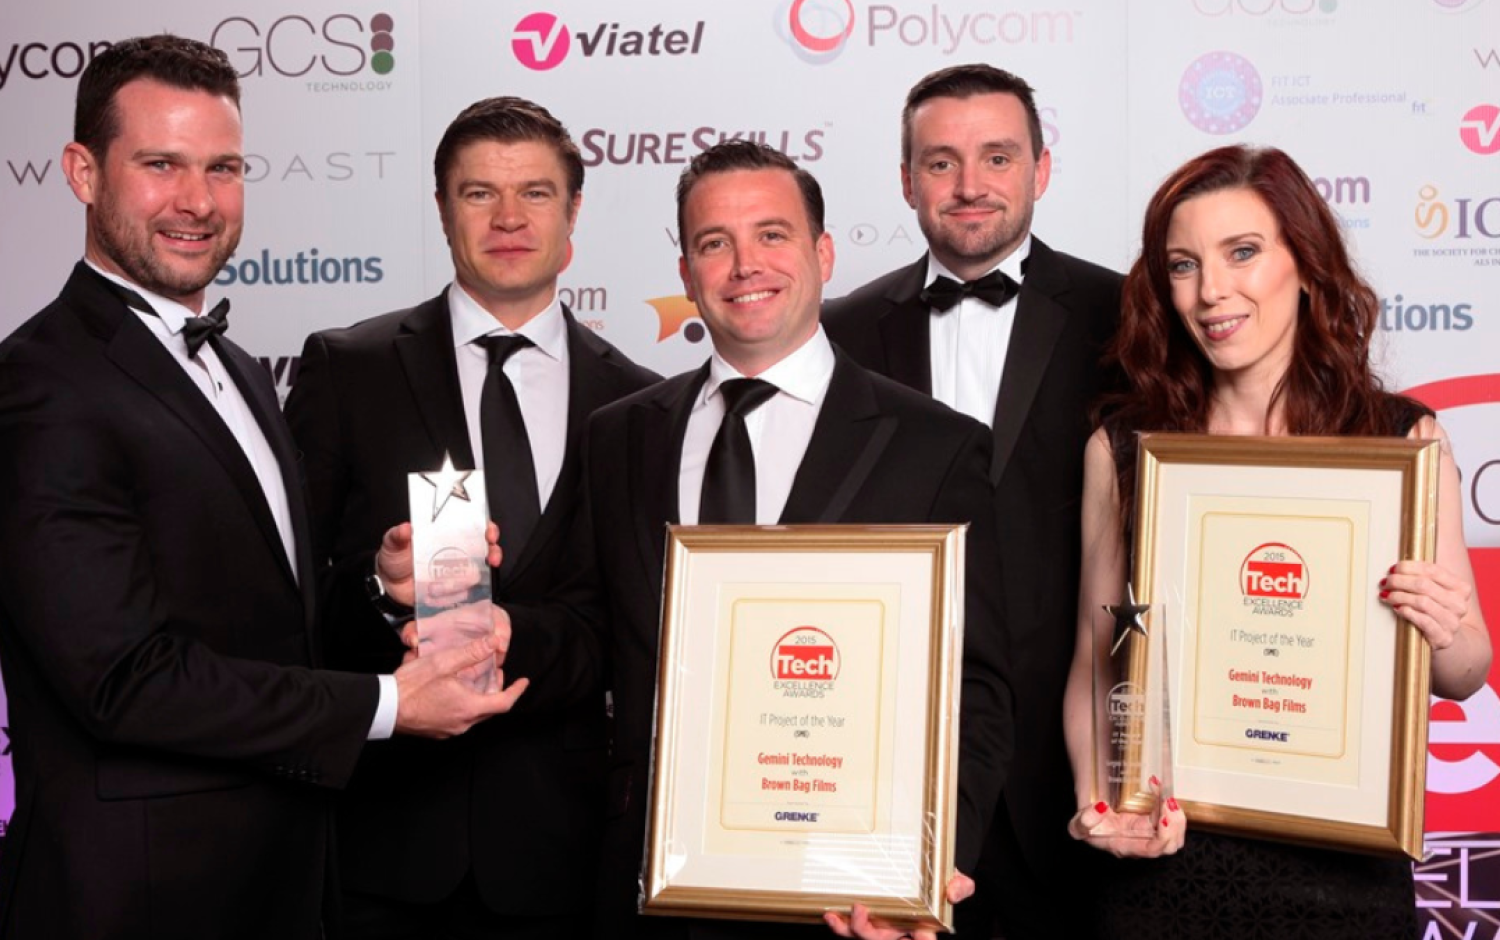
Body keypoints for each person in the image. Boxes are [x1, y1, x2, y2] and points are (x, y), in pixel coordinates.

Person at [0, 35, 525, 940]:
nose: (198, 201)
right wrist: (391, 705)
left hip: (284, 874)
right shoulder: (40, 383)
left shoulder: (239, 369)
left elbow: (261, 615)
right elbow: (123, 680)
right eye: (160, 165)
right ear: (83, 172)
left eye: (224, 168)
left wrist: (379, 582)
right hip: (139, 897)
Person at [497, 140, 1013, 940]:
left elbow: (972, 687)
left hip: (843, 891)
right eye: (715, 243)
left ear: (823, 254)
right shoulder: (620, 436)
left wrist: (927, 863)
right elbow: (591, 630)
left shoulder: (933, 447)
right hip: (652, 881)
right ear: (686, 272)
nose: (745, 265)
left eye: (772, 235)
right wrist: (496, 632)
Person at [1060, 143, 1492, 939]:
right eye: (1183, 265)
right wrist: (1105, 802)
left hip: (1346, 869)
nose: (1211, 291)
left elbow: (1466, 672)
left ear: (1307, 264)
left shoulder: (1399, 441)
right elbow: (1099, 660)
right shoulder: (1124, 452)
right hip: (1167, 865)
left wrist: (1442, 626)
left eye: (1243, 252)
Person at [283, 96, 658, 939]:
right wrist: (380, 588)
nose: (508, 217)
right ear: (443, 208)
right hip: (385, 845)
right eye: (479, 192)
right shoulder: (348, 370)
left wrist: (512, 637)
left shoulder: (638, 403)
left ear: (573, 211)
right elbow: (288, 605)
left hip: (567, 854)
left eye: (535, 192)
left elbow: (639, 626)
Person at [821, 63, 1121, 939]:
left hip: (1076, 785)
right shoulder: (839, 332)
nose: (970, 185)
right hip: (894, 773)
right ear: (906, 179)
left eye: (997, 157)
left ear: (1041, 169)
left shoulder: (1126, 316)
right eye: (941, 162)